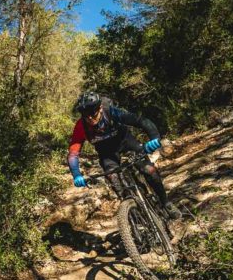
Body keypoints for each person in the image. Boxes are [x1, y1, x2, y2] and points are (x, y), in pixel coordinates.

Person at [67, 91, 180, 220]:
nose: (90, 118)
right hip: (107, 153)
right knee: (114, 180)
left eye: (93, 113)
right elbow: (73, 154)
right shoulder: (81, 127)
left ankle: (166, 202)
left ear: (100, 108)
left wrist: (154, 138)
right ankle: (135, 215)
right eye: (85, 115)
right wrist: (76, 174)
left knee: (149, 170)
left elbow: (141, 121)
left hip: (126, 143)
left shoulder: (111, 112)